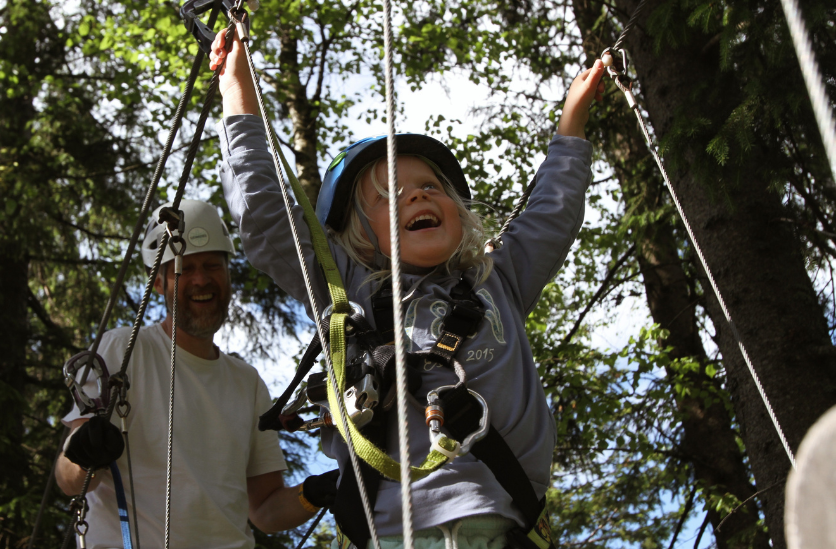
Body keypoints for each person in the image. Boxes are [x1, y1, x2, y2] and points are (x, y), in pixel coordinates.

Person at [210, 28, 605, 549]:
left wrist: (571, 125)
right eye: (388, 196)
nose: (417, 195)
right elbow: (264, 213)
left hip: (504, 529)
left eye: (430, 187)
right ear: (359, 237)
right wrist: (237, 91)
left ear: (458, 213)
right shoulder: (346, 290)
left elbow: (553, 209)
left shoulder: (498, 277)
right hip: (394, 534)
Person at [56, 199, 331, 549]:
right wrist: (82, 456)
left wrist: (318, 491)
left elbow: (264, 510)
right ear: (159, 283)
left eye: (213, 265)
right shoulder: (125, 349)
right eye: (183, 268)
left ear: (228, 274)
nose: (201, 279)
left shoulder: (247, 382)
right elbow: (68, 480)